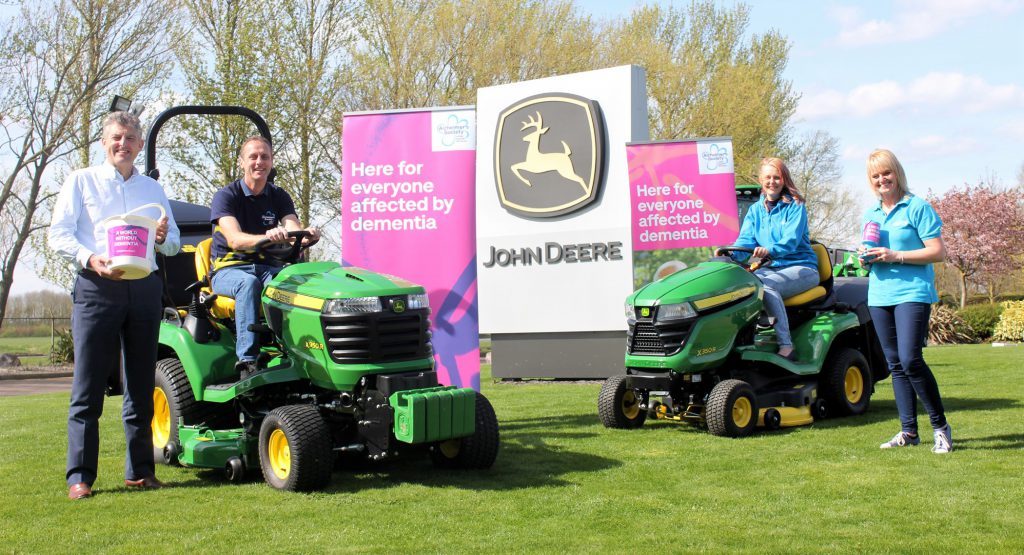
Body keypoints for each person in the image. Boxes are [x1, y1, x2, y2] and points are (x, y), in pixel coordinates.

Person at [48, 111, 180, 500]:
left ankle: (140, 472)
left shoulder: (152, 189)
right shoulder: (81, 181)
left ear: (140, 144)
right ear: (104, 142)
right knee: (87, 385)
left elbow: (173, 243)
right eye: (117, 137)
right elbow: (59, 235)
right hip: (96, 287)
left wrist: (162, 237)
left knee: (140, 383)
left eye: (131, 138)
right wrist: (90, 258)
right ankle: (80, 477)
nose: (124, 144)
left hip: (144, 289)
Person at [858, 149, 951, 454]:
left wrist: (895, 255)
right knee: (896, 364)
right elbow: (870, 256)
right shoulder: (870, 215)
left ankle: (941, 428)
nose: (882, 179)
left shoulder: (917, 207)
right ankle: (909, 431)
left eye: (886, 172)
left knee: (911, 360)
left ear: (896, 173)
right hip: (879, 294)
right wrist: (865, 258)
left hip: (912, 293)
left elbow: (938, 251)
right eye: (875, 175)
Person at [209, 136, 320, 377]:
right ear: (242, 162)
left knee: (293, 285)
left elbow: (292, 228)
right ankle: (247, 361)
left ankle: (298, 352)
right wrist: (267, 237)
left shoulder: (278, 195)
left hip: (268, 268)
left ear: (271, 161)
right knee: (249, 283)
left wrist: (307, 235)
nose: (259, 162)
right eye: (253, 157)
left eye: (265, 157)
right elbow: (235, 240)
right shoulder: (226, 196)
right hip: (229, 271)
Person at [729, 157, 819, 360]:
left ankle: (786, 345)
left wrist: (769, 250)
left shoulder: (795, 206)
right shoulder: (755, 211)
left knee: (766, 287)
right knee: (740, 286)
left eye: (777, 177)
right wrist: (731, 255)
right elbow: (746, 240)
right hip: (769, 268)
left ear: (784, 179)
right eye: (768, 177)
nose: (772, 182)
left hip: (800, 267)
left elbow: (790, 241)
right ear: (761, 180)